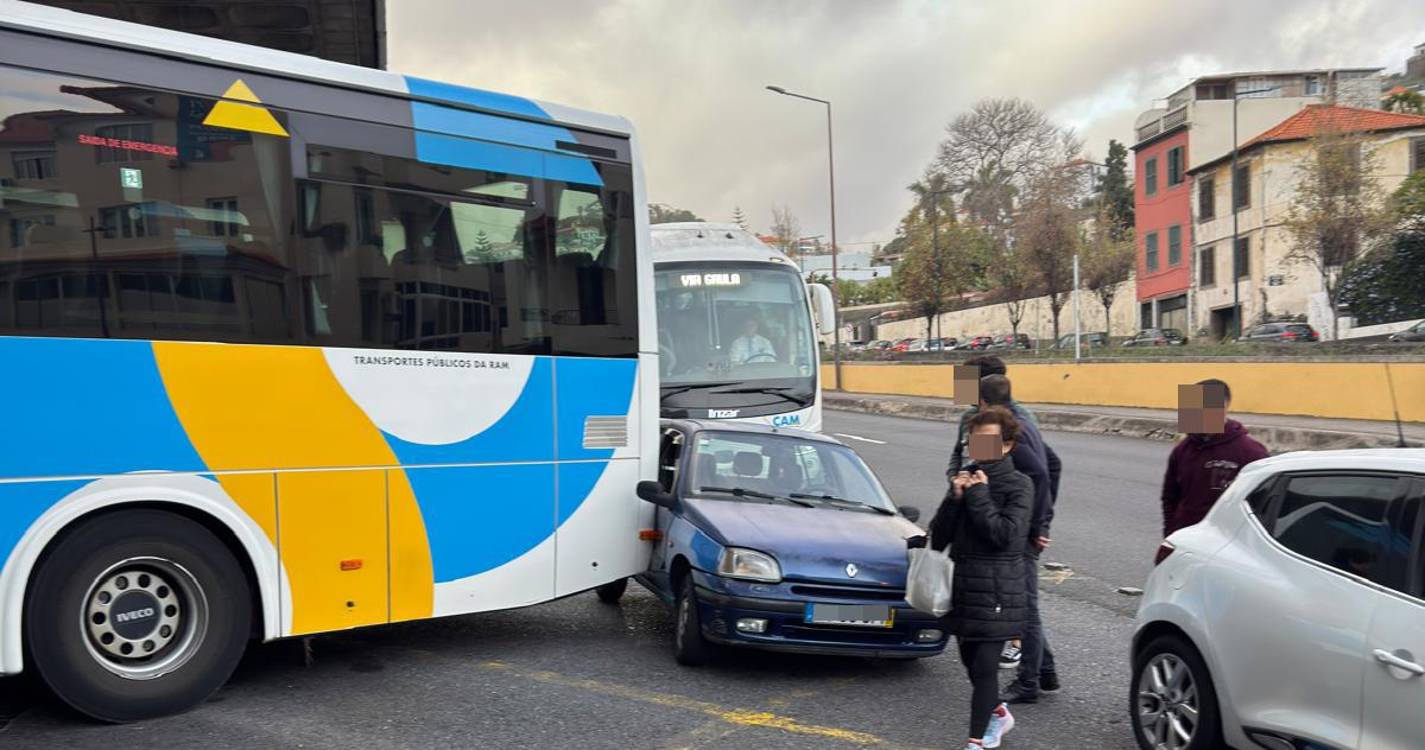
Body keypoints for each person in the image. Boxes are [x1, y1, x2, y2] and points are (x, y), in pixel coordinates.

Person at [929, 406, 1033, 750]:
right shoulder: (965, 477)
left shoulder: (1019, 485)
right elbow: (939, 538)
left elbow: (1004, 536)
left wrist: (977, 495)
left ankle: (976, 742)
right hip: (962, 585)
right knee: (972, 664)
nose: (979, 448)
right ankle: (999, 713)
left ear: (1007, 445)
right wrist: (956, 498)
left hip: (999, 589)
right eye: (974, 441)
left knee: (986, 666)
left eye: (988, 441)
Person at [971, 375, 1062, 704]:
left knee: (1024, 608)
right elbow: (1054, 464)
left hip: (1018, 532)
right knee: (1023, 603)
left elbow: (1039, 472)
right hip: (1026, 526)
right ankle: (1046, 671)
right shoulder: (1021, 423)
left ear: (982, 402)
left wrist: (1037, 524)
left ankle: (1029, 682)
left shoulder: (1009, 435)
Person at [1160, 378, 1269, 538]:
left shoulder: (1251, 452)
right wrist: (1171, 533)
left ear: (1224, 407)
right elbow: (1170, 497)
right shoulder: (1182, 450)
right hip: (1185, 538)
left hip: (1225, 542)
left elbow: (1261, 505)